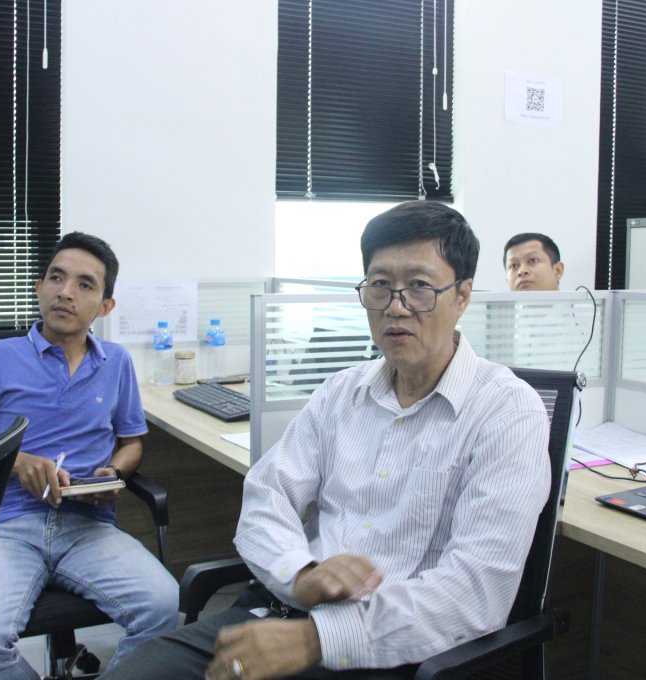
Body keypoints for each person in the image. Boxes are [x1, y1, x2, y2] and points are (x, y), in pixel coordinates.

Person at [104, 202, 551, 680]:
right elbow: (268, 495)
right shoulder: (342, 392)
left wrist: (317, 639)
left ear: (462, 296)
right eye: (380, 285)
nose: (396, 306)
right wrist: (301, 574)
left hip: (387, 651)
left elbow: (475, 593)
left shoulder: (507, 412)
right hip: (279, 614)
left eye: (420, 286)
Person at [0, 232, 178, 679]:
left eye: (84, 284)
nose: (66, 292)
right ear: (39, 287)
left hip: (87, 527)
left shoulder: (116, 362)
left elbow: (132, 443)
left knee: (163, 606)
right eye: (56, 278)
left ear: (105, 306)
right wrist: (18, 462)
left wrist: (113, 473)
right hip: (8, 526)